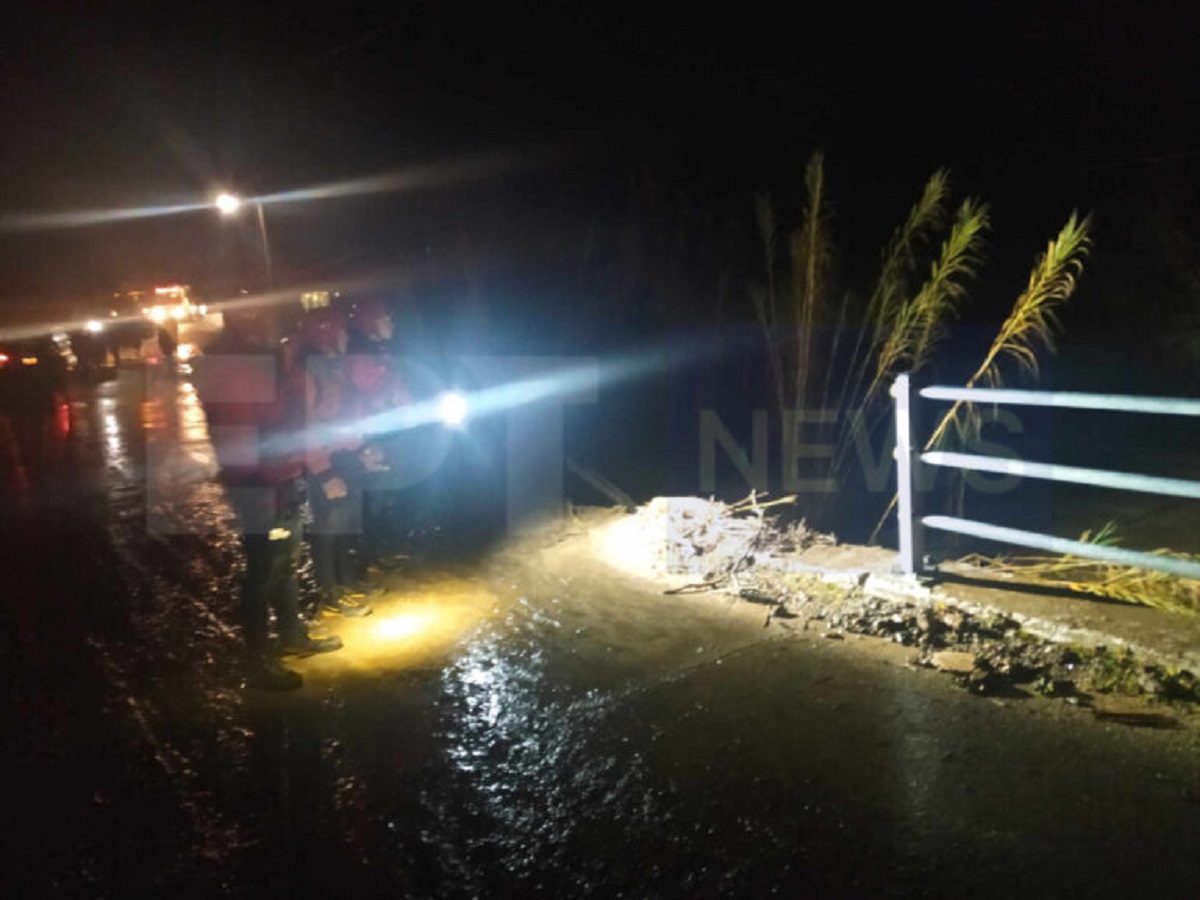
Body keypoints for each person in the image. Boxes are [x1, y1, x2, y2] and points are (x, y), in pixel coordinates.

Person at [193, 305, 342, 691]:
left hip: (282, 480)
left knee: (286, 558)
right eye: (279, 333)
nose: (287, 340)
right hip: (263, 487)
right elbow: (241, 441)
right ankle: (258, 660)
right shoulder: (242, 374)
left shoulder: (271, 368)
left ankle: (291, 634)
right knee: (265, 568)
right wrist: (266, 487)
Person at [293, 306, 380, 618]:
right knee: (328, 532)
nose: (347, 335)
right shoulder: (309, 373)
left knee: (345, 525)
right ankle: (329, 593)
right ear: (326, 332)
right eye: (341, 329)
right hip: (326, 463)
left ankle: (345, 583)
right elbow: (305, 427)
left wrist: (361, 448)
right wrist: (324, 471)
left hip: (342, 457)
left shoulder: (333, 367)